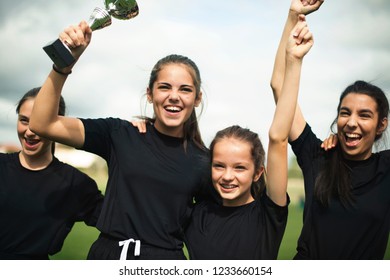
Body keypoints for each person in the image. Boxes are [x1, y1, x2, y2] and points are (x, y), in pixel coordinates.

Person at [30, 21, 213, 259]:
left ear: (197, 98)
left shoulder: (205, 161)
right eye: (164, 87)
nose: (174, 97)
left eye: (185, 90)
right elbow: (43, 124)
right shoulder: (120, 134)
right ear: (150, 94)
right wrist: (62, 65)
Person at [182, 12, 314, 259]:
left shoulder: (268, 213)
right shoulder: (195, 215)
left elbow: (278, 139)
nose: (227, 176)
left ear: (258, 172)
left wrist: (294, 59)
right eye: (219, 166)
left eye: (240, 168)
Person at [271, 0, 390, 259]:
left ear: (382, 124)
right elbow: (280, 85)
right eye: (345, 113)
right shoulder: (318, 157)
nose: (351, 122)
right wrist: (293, 16)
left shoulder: (386, 169)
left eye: (365, 115)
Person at [0, 87, 103, 260]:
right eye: (24, 121)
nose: (30, 132)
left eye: (39, 123)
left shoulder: (74, 183)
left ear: (56, 126)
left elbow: (119, 221)